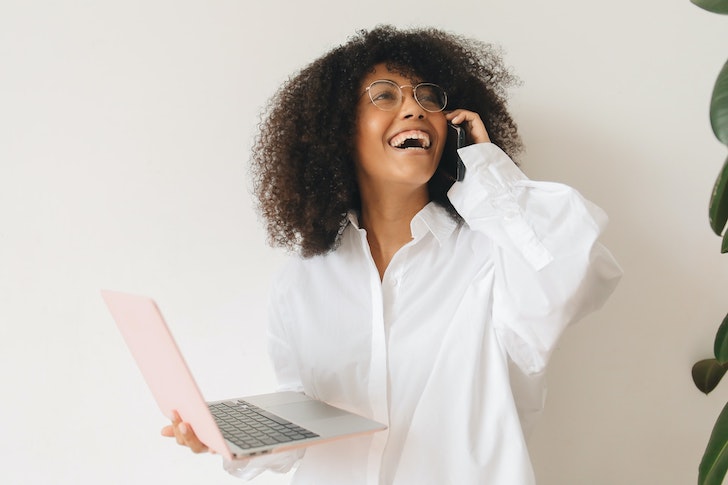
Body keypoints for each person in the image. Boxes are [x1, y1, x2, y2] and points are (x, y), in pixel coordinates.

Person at [161, 25, 622, 484]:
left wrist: (485, 167)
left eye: (429, 97)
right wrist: (225, 438)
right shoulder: (302, 280)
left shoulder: (495, 256)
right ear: (338, 131)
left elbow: (575, 272)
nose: (414, 109)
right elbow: (307, 414)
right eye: (384, 95)